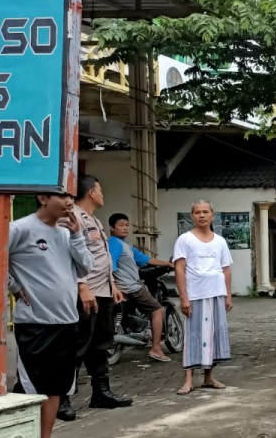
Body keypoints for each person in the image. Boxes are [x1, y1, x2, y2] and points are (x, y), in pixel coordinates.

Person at [6, 193, 93, 438]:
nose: (69, 201)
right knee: (33, 387)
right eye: (62, 196)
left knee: (56, 387)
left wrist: (78, 236)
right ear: (43, 197)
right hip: (34, 323)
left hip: (67, 320)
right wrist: (15, 287)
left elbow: (86, 267)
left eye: (70, 196)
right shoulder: (20, 228)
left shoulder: (68, 233)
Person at [69, 174, 132, 414]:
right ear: (91, 193)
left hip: (102, 291)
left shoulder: (93, 219)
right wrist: (81, 285)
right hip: (86, 293)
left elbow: (100, 258)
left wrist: (113, 285)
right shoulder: (74, 217)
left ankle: (101, 392)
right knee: (78, 345)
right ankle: (64, 398)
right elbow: (72, 255)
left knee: (101, 344)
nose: (103, 194)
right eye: (100, 190)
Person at [174, 200, 233, 394]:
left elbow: (226, 269)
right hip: (196, 294)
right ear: (192, 216)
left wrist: (228, 295)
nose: (201, 215)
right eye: (197, 212)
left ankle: (208, 377)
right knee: (194, 335)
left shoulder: (220, 241)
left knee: (214, 335)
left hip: (216, 292)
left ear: (212, 215)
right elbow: (180, 269)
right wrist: (184, 298)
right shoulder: (185, 239)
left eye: (205, 212)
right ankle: (188, 380)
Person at [108, 213, 174, 363]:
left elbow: (146, 259)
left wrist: (168, 264)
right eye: (121, 225)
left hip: (127, 286)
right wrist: (114, 285)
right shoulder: (114, 243)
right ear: (112, 227)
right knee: (157, 310)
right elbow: (110, 264)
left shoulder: (126, 246)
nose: (125, 228)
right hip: (130, 287)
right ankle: (156, 348)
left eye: (126, 225)